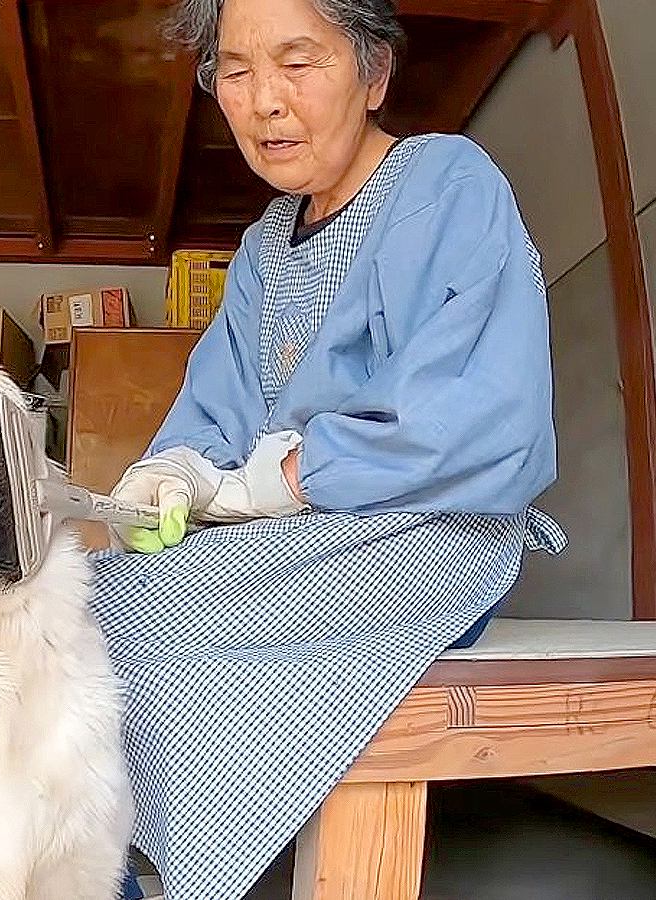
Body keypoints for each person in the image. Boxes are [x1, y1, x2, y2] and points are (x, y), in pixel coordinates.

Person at [91, 0, 567, 898]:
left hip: (428, 534)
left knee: (111, 630)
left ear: (374, 75)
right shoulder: (264, 247)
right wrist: (176, 470)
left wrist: (280, 480)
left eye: (298, 61)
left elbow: (480, 416)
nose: (264, 100)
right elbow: (214, 406)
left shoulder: (446, 181)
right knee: (79, 601)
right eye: (235, 71)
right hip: (294, 536)